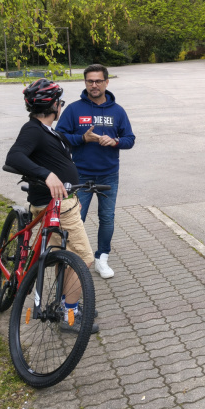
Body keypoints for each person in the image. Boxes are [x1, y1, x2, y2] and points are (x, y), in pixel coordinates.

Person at [5, 78, 99, 334]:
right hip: (57, 206)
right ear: (54, 105)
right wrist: (46, 175)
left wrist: (82, 138)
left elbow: (58, 148)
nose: (61, 107)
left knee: (64, 257)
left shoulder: (45, 130)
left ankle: (65, 302)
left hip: (62, 205)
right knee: (84, 258)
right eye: (60, 103)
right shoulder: (33, 130)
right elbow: (14, 156)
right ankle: (70, 313)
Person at [57, 64, 135, 279]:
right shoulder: (74, 109)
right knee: (76, 218)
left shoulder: (117, 111)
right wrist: (83, 138)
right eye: (90, 81)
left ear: (106, 82)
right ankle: (73, 260)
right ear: (85, 83)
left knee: (107, 218)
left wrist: (115, 141)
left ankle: (102, 259)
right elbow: (59, 137)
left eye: (98, 81)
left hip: (109, 174)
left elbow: (130, 139)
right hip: (79, 175)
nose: (94, 85)